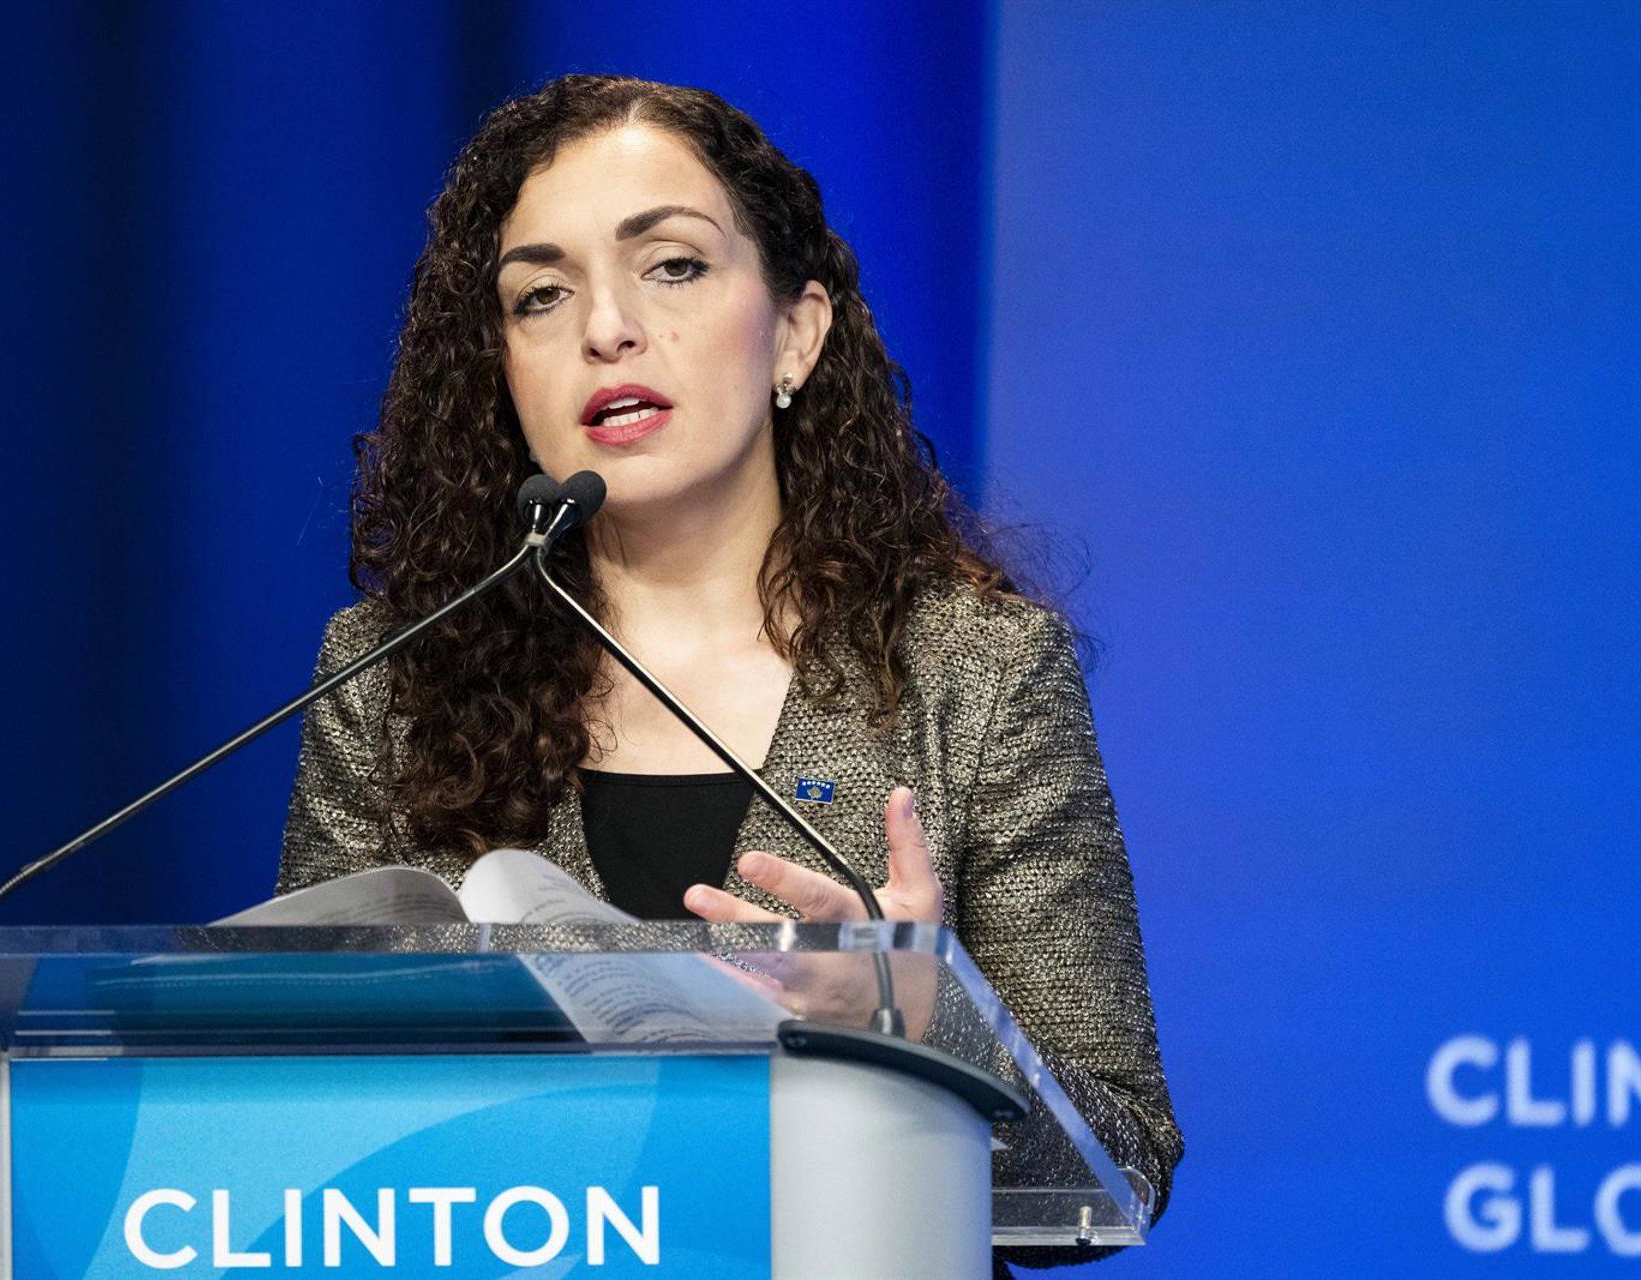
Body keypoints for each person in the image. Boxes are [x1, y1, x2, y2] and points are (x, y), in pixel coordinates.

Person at [276, 74, 1182, 1269]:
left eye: (673, 266)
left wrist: (923, 1024)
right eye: (542, 294)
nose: (606, 328)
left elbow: (1121, 1162)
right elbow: (298, 1104)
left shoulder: (976, 672)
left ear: (795, 333)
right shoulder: (396, 678)